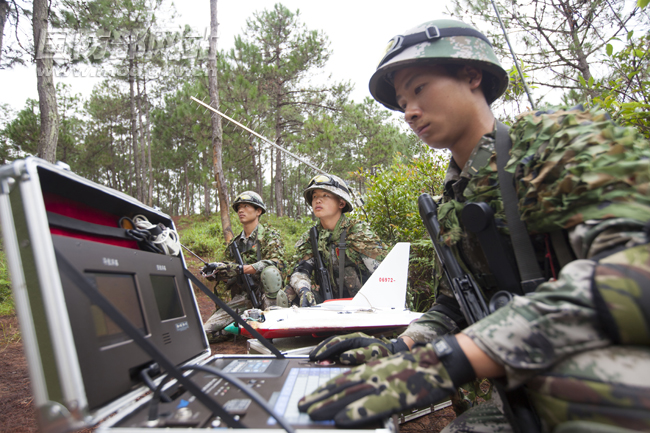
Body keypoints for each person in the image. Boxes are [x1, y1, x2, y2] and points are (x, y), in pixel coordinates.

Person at [298, 19, 650, 432]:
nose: (409, 110)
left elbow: (635, 275)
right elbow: (455, 306)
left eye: (419, 88)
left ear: (471, 74)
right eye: (402, 100)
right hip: (530, 397)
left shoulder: (562, 141)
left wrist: (453, 360)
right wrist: (402, 345)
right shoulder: (454, 199)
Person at [280, 174, 387, 307]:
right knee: (288, 293)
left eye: (325, 195)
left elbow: (384, 275)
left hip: (363, 303)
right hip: (328, 302)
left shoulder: (357, 232)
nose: (318, 201)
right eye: (314, 196)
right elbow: (301, 271)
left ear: (341, 203)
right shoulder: (312, 236)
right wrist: (304, 289)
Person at [202, 191, 285, 338]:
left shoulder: (269, 236)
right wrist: (216, 272)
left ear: (258, 211)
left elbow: (277, 263)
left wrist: (241, 269)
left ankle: (265, 325)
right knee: (205, 333)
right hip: (243, 299)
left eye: (246, 206)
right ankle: (242, 331)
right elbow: (227, 272)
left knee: (270, 272)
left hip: (267, 296)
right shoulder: (234, 244)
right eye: (239, 207)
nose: (240, 210)